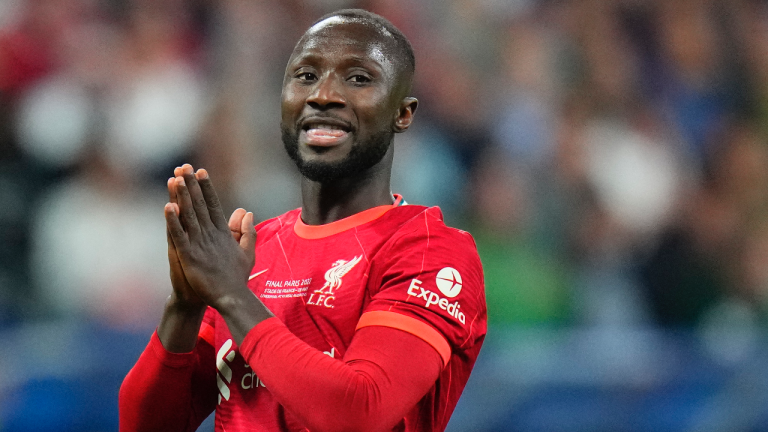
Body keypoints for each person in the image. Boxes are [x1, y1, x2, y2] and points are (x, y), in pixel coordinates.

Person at [119, 9, 486, 432]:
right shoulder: (250, 254)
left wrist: (229, 294)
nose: (323, 95)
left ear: (402, 114)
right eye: (306, 76)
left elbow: (358, 412)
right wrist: (184, 307)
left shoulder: (430, 250)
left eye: (359, 78)